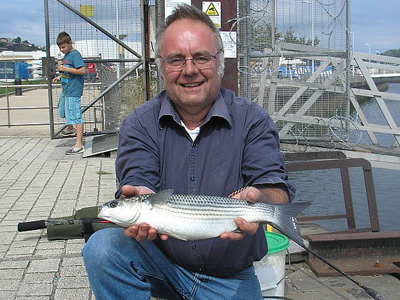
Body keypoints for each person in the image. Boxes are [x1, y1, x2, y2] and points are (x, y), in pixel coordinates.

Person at [82, 4, 295, 300]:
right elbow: (137, 177)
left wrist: (260, 198)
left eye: (201, 58)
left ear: (218, 61)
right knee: (103, 247)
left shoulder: (253, 120)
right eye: (176, 59)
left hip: (231, 275)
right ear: (161, 65)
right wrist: (135, 194)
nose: (190, 70)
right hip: (161, 263)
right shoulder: (140, 123)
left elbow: (277, 188)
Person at [53, 31, 86, 155]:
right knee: (63, 110)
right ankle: (70, 128)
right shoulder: (66, 56)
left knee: (76, 115)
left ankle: (79, 144)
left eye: (63, 47)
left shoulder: (74, 54)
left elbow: (82, 70)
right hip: (66, 90)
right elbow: (68, 72)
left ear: (70, 43)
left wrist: (65, 69)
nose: (62, 49)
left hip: (73, 90)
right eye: (60, 47)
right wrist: (61, 76)